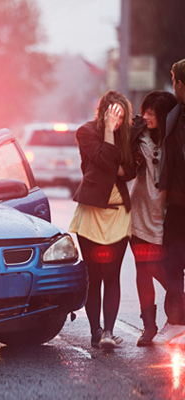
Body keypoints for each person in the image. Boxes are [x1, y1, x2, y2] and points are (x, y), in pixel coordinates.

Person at [69, 90, 135, 349]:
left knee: (113, 275)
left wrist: (115, 163)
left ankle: (108, 332)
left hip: (119, 214)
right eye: (113, 114)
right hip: (92, 213)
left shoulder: (127, 137)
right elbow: (106, 160)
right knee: (93, 275)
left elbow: (130, 169)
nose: (117, 121)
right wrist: (108, 132)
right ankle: (95, 332)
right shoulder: (85, 132)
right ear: (104, 111)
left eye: (121, 116)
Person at [129, 90, 177, 346]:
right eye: (144, 110)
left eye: (152, 113)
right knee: (142, 270)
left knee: (164, 270)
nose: (146, 116)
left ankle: (177, 313)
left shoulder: (174, 140)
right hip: (139, 213)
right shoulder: (139, 136)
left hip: (166, 216)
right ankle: (149, 325)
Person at [153, 59, 185, 344]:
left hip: (179, 205)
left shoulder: (181, 119)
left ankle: (177, 320)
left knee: (170, 263)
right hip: (176, 205)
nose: (173, 86)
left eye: (175, 81)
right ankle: (177, 318)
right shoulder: (177, 115)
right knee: (169, 262)